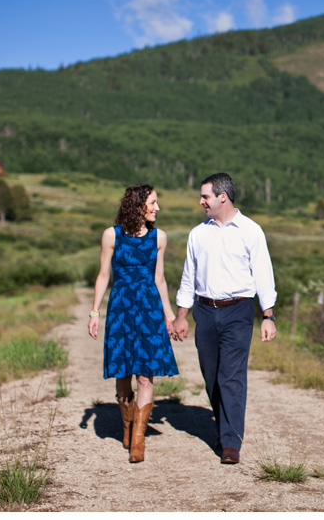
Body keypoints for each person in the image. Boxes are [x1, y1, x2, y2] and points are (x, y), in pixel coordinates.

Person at [172, 172, 277, 465]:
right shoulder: (198, 234)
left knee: (231, 377)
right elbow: (188, 278)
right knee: (211, 376)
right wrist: (182, 315)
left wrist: (268, 315)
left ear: (223, 197)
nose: (201, 201)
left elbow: (264, 275)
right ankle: (223, 424)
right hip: (204, 311)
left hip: (238, 310)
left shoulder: (251, 231)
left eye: (205, 196)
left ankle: (231, 441)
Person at [88, 184, 179, 463]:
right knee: (122, 373)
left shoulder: (159, 237)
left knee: (144, 374)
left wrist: (169, 315)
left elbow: (159, 279)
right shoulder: (111, 235)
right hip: (121, 308)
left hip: (149, 309)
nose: (157, 208)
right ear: (138, 204)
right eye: (153, 202)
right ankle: (126, 426)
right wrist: (94, 312)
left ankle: (138, 439)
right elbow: (104, 275)